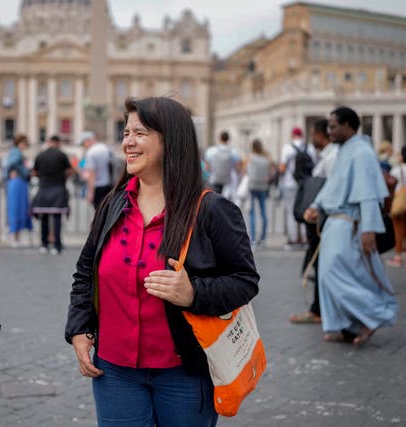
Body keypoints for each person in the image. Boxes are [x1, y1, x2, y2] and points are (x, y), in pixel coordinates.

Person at [65, 97, 259, 427]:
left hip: (184, 372)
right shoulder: (113, 204)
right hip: (115, 372)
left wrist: (193, 293)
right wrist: (80, 328)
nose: (127, 141)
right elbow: (86, 272)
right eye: (126, 132)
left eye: (139, 132)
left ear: (170, 140)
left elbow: (244, 280)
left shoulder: (212, 210)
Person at [303, 106, 397, 345]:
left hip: (350, 223)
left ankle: (373, 315)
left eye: (333, 126)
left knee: (335, 273)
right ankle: (347, 324)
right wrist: (317, 205)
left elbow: (367, 194)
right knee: (327, 274)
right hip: (336, 222)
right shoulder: (345, 151)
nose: (329, 131)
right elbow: (333, 186)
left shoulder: (361, 153)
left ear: (348, 125)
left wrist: (368, 230)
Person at [289, 118, 338, 324]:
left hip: (323, 221)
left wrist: (315, 208)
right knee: (320, 265)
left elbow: (331, 189)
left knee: (322, 265)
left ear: (320, 134)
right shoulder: (326, 156)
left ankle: (319, 310)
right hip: (320, 218)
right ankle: (319, 308)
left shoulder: (331, 157)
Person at [31, 135, 72, 255]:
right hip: (58, 188)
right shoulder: (62, 155)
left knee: (43, 217)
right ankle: (57, 246)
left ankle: (44, 244)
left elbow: (34, 172)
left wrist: (42, 176)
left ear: (49, 142)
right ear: (58, 143)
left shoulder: (40, 155)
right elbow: (69, 171)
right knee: (57, 218)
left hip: (44, 188)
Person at [278, 127, 315, 249]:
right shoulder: (309, 148)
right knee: (305, 209)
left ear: (292, 135)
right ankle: (305, 238)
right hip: (306, 183)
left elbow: (282, 168)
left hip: (290, 184)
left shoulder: (287, 148)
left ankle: (293, 238)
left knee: (290, 211)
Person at [2, 133, 33, 246]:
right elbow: (12, 163)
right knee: (17, 208)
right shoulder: (16, 152)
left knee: (18, 208)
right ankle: (15, 237)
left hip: (17, 182)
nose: (25, 146)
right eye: (24, 143)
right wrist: (22, 171)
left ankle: (16, 237)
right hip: (18, 182)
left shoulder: (14, 151)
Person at [245, 139, 274, 247]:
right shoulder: (267, 159)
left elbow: (245, 171)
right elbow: (271, 174)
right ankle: (263, 238)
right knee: (263, 212)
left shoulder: (250, 158)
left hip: (252, 186)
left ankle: (253, 238)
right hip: (263, 187)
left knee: (252, 213)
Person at [81, 130, 114, 210]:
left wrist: (90, 193)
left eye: (83, 143)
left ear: (88, 141)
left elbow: (91, 174)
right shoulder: (105, 148)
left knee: (99, 213)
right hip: (110, 185)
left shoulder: (91, 153)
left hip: (98, 187)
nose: (83, 146)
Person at [386, 146, 406, 267]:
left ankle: (398, 256)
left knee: (398, 229)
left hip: (399, 202)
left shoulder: (397, 170)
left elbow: (390, 186)